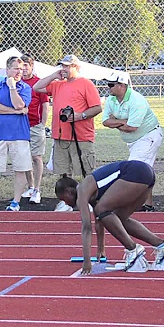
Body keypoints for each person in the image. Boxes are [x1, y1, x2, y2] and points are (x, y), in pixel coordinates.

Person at [55, 160, 164, 275]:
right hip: (145, 173)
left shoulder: (82, 191)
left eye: (63, 199)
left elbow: (86, 227)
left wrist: (87, 261)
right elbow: (98, 221)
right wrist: (101, 250)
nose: (65, 203)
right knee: (119, 218)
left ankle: (133, 250)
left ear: (69, 191)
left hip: (135, 173)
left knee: (102, 209)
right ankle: (162, 246)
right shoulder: (90, 191)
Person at [33, 55, 101, 212]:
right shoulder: (57, 85)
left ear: (76, 67)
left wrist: (80, 115)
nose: (63, 69)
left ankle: (90, 200)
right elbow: (37, 87)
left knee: (86, 170)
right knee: (64, 171)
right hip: (61, 136)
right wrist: (53, 76)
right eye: (62, 66)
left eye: (67, 66)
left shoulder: (86, 84)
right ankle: (67, 200)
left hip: (81, 136)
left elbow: (97, 108)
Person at [101, 71, 163, 211]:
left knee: (135, 170)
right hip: (135, 140)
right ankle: (147, 205)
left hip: (147, 137)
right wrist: (122, 122)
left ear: (122, 86)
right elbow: (105, 122)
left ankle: (133, 204)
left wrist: (115, 122)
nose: (108, 87)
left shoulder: (136, 100)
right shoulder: (111, 100)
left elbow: (132, 127)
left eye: (111, 84)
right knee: (143, 171)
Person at [0, 56, 32, 212]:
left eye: (21, 69)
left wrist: (12, 88)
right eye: (16, 68)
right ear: (7, 69)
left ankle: (16, 202)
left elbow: (19, 104)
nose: (19, 72)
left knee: (20, 168)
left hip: (20, 134)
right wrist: (16, 112)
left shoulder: (25, 88)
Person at [18, 53, 50, 204]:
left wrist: (42, 124)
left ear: (31, 66)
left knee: (36, 157)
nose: (23, 69)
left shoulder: (38, 83)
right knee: (24, 158)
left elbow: (45, 105)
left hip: (35, 125)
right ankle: (30, 186)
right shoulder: (16, 83)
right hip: (20, 124)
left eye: (26, 65)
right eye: (21, 65)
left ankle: (37, 189)